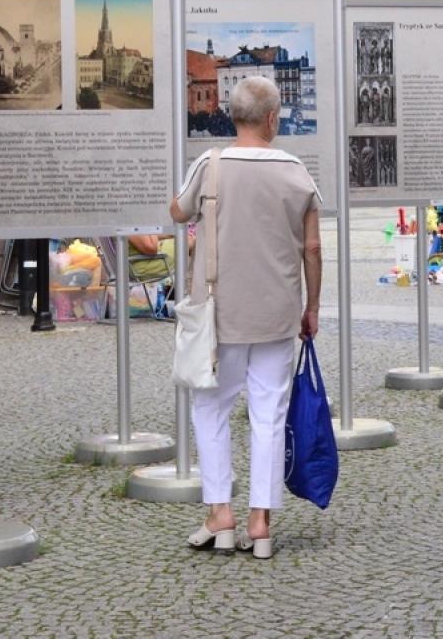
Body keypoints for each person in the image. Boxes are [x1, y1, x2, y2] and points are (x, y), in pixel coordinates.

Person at [171, 75, 322, 560]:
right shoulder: (297, 171)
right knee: (268, 415)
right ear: (273, 118)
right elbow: (314, 247)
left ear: (231, 115)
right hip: (277, 314)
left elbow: (178, 211)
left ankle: (221, 514)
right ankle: (261, 521)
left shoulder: (209, 164)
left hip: (220, 316)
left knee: (211, 409)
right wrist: (312, 306)